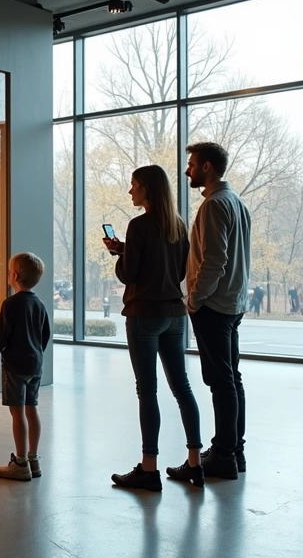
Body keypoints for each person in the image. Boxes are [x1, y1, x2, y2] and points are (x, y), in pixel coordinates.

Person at [103, 165, 204, 491]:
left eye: (134, 186)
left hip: (144, 315)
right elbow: (172, 272)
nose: (130, 192)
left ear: (146, 188)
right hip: (174, 314)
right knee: (182, 388)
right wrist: (126, 249)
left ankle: (149, 468)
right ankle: (194, 463)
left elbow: (129, 274)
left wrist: (120, 256)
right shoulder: (177, 225)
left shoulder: (138, 225)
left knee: (147, 390)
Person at [184, 142, 252, 480]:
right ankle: (233, 450)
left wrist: (195, 298)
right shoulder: (237, 202)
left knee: (220, 380)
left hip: (214, 304)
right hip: (233, 303)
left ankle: (223, 454)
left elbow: (214, 260)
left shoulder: (214, 205)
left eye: (192, 164)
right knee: (231, 379)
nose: (188, 171)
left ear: (207, 167)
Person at [0, 252, 52, 481]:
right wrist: (36, 353)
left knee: (17, 413)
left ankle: (20, 462)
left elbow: (2, 333)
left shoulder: (11, 304)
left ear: (14, 275)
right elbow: (45, 334)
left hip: (15, 366)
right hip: (35, 365)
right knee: (31, 409)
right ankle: (34, 460)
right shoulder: (39, 304)